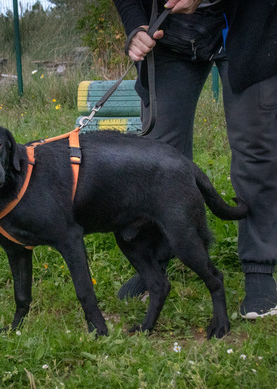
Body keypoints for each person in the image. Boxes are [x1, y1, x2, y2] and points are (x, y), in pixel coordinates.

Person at [113, 0, 277, 319]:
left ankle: (260, 269)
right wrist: (136, 27)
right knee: (157, 157)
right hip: (170, 34)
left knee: (255, 149)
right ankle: (156, 259)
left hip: (249, 24)